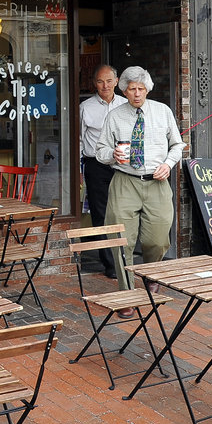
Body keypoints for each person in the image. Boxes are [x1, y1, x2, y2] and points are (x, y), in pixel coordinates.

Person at [96, 66, 185, 299]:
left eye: (141, 89)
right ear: (124, 90)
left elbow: (177, 145)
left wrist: (168, 164)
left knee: (157, 237)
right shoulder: (114, 116)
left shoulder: (162, 111)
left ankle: (150, 275)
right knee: (121, 239)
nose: (137, 93)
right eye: (132, 89)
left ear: (147, 90)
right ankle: (127, 292)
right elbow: (100, 150)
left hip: (156, 182)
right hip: (125, 181)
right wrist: (112, 154)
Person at [80, 64, 127, 278]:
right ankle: (109, 264)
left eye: (109, 81)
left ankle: (125, 258)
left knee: (123, 211)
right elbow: (79, 139)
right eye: (100, 81)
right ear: (94, 83)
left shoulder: (126, 105)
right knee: (101, 214)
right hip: (96, 166)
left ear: (117, 82)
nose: (105, 85)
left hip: (122, 165)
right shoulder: (86, 107)